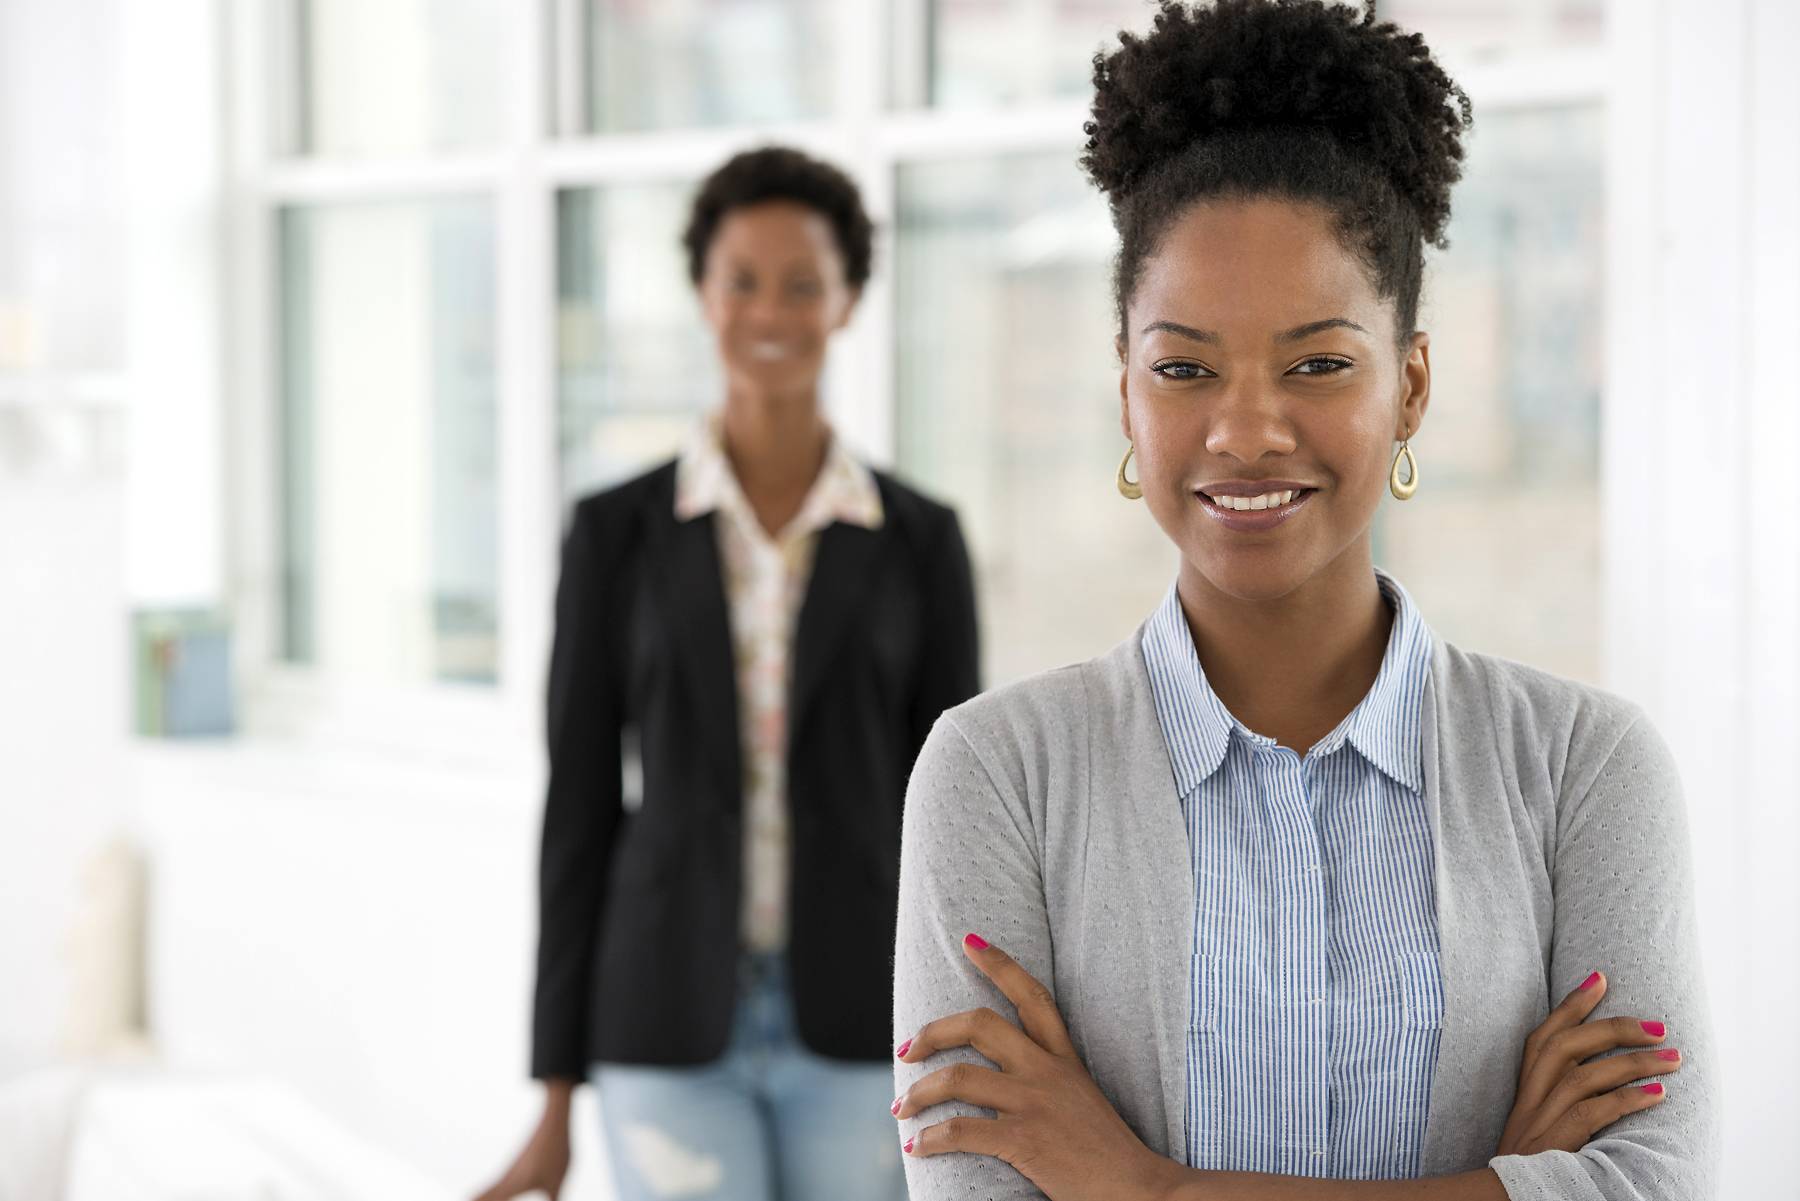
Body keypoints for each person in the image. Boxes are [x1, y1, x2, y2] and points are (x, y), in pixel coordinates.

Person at [889, 2, 1718, 1199]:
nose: (1245, 430)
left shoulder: (1583, 771)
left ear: (1412, 384)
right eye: (1184, 367)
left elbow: (1659, 1183)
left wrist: (1142, 1185)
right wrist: (1510, 1179)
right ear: (1125, 392)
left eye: (1319, 363)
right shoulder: (998, 776)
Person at [476, 146, 980, 1201]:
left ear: (848, 300)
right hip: (660, 1017)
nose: (771, 312)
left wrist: (974, 1039)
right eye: (742, 280)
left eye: (804, 283)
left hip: (868, 1019)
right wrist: (556, 1091)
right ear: (702, 293)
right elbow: (578, 806)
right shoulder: (614, 534)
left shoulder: (921, 540)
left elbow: (957, 820)